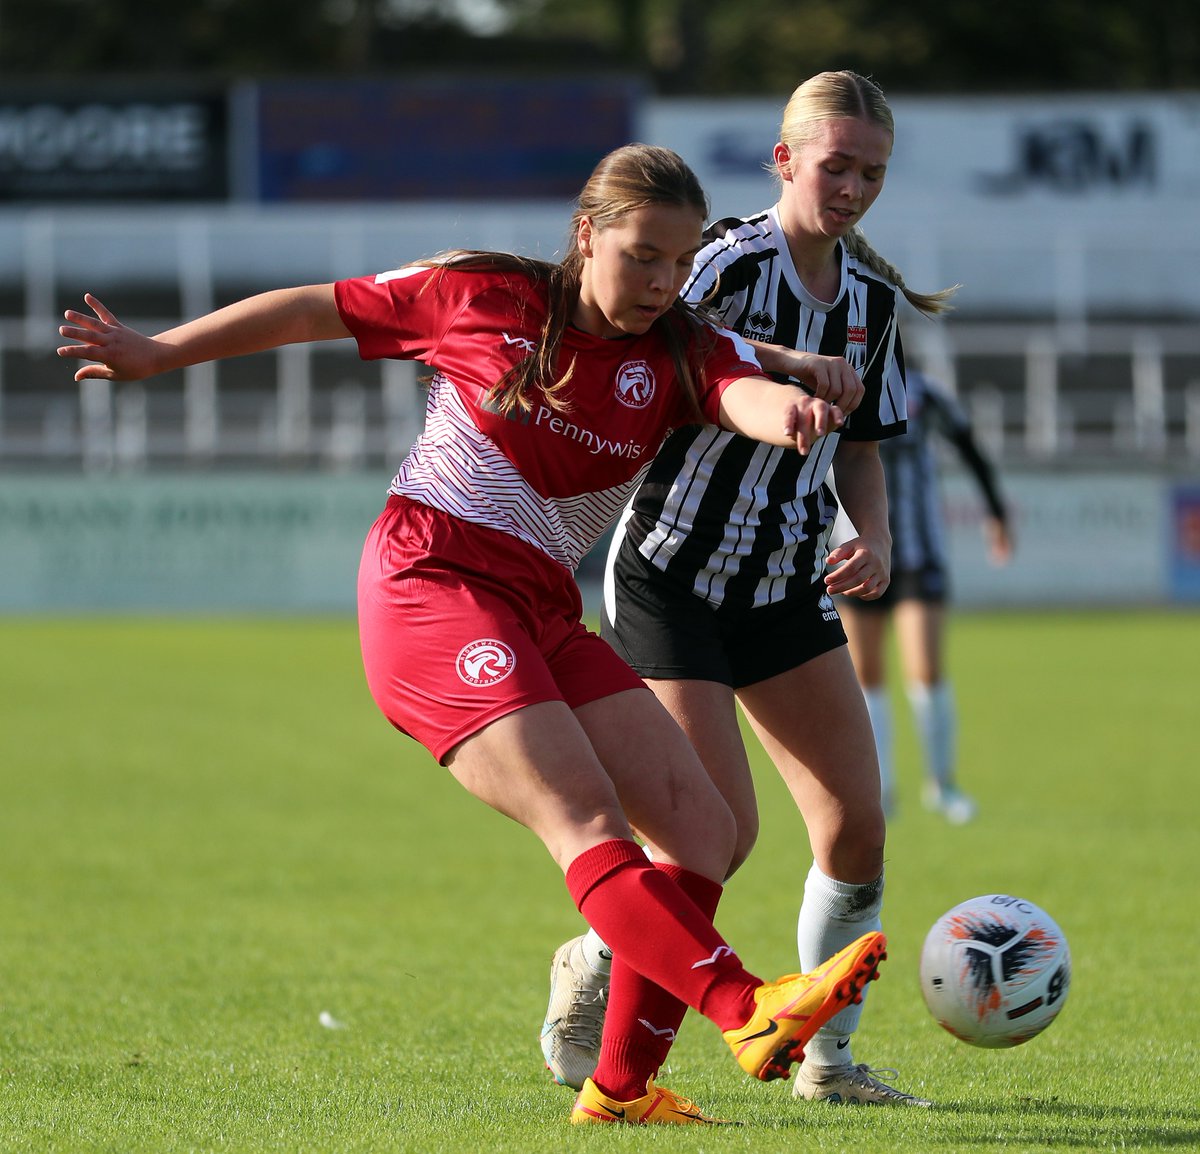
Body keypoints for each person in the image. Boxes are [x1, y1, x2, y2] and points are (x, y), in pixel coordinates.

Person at [56, 144, 889, 1128]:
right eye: (641, 255)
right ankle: (744, 1007)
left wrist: (791, 411)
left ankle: (620, 1091)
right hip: (431, 584)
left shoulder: (678, 347)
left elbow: (741, 390)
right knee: (584, 818)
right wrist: (161, 353)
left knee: (702, 828)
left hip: (541, 607)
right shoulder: (482, 295)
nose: (662, 282)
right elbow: (314, 308)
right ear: (587, 235)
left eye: (677, 262)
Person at [540, 73, 956, 1108]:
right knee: (714, 834)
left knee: (856, 827)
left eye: (872, 173)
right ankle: (599, 955)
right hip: (672, 577)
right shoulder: (722, 264)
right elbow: (644, 352)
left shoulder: (871, 305)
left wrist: (874, 536)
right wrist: (771, 376)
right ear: (784, 161)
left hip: (784, 585)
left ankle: (831, 1063)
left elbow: (865, 449)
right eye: (835, 166)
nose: (852, 188)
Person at [838, 368, 1013, 823]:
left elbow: (969, 446)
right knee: (866, 675)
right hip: (855, 551)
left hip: (918, 553)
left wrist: (996, 513)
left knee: (926, 669)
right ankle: (881, 789)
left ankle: (943, 785)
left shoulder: (926, 393)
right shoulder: (839, 383)